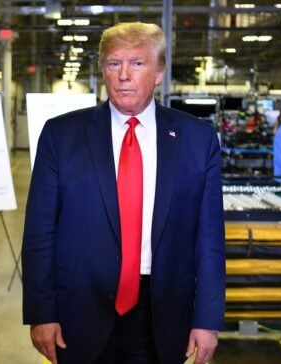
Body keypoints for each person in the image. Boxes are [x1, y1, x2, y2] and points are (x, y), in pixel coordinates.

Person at [22, 22, 225, 364]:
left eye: (138, 63)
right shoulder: (61, 136)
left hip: (162, 312)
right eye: (114, 64)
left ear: (159, 72)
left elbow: (210, 239)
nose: (124, 75)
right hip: (79, 311)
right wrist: (41, 311)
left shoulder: (197, 139)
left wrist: (207, 319)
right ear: (103, 70)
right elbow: (40, 233)